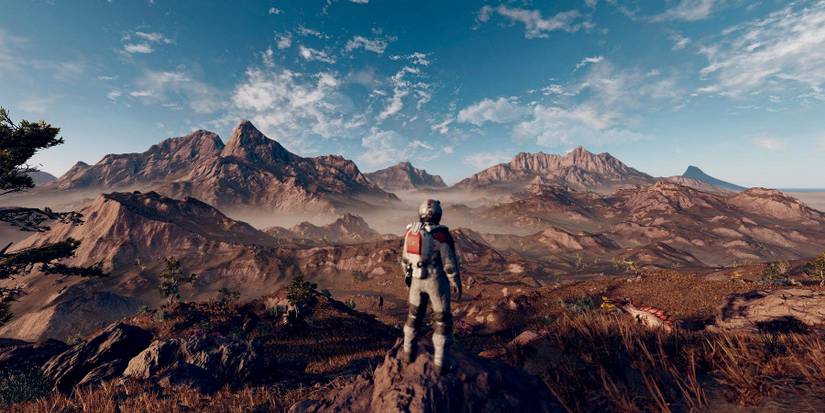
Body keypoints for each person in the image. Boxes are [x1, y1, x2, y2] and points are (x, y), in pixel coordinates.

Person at [400, 199, 461, 375]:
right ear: (438, 214)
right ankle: (441, 364)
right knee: (442, 321)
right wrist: (455, 281)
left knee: (413, 317)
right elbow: (448, 264)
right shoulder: (441, 235)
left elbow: (405, 261)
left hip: (416, 282)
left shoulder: (411, 232)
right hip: (436, 281)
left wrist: (408, 279)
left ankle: (407, 354)